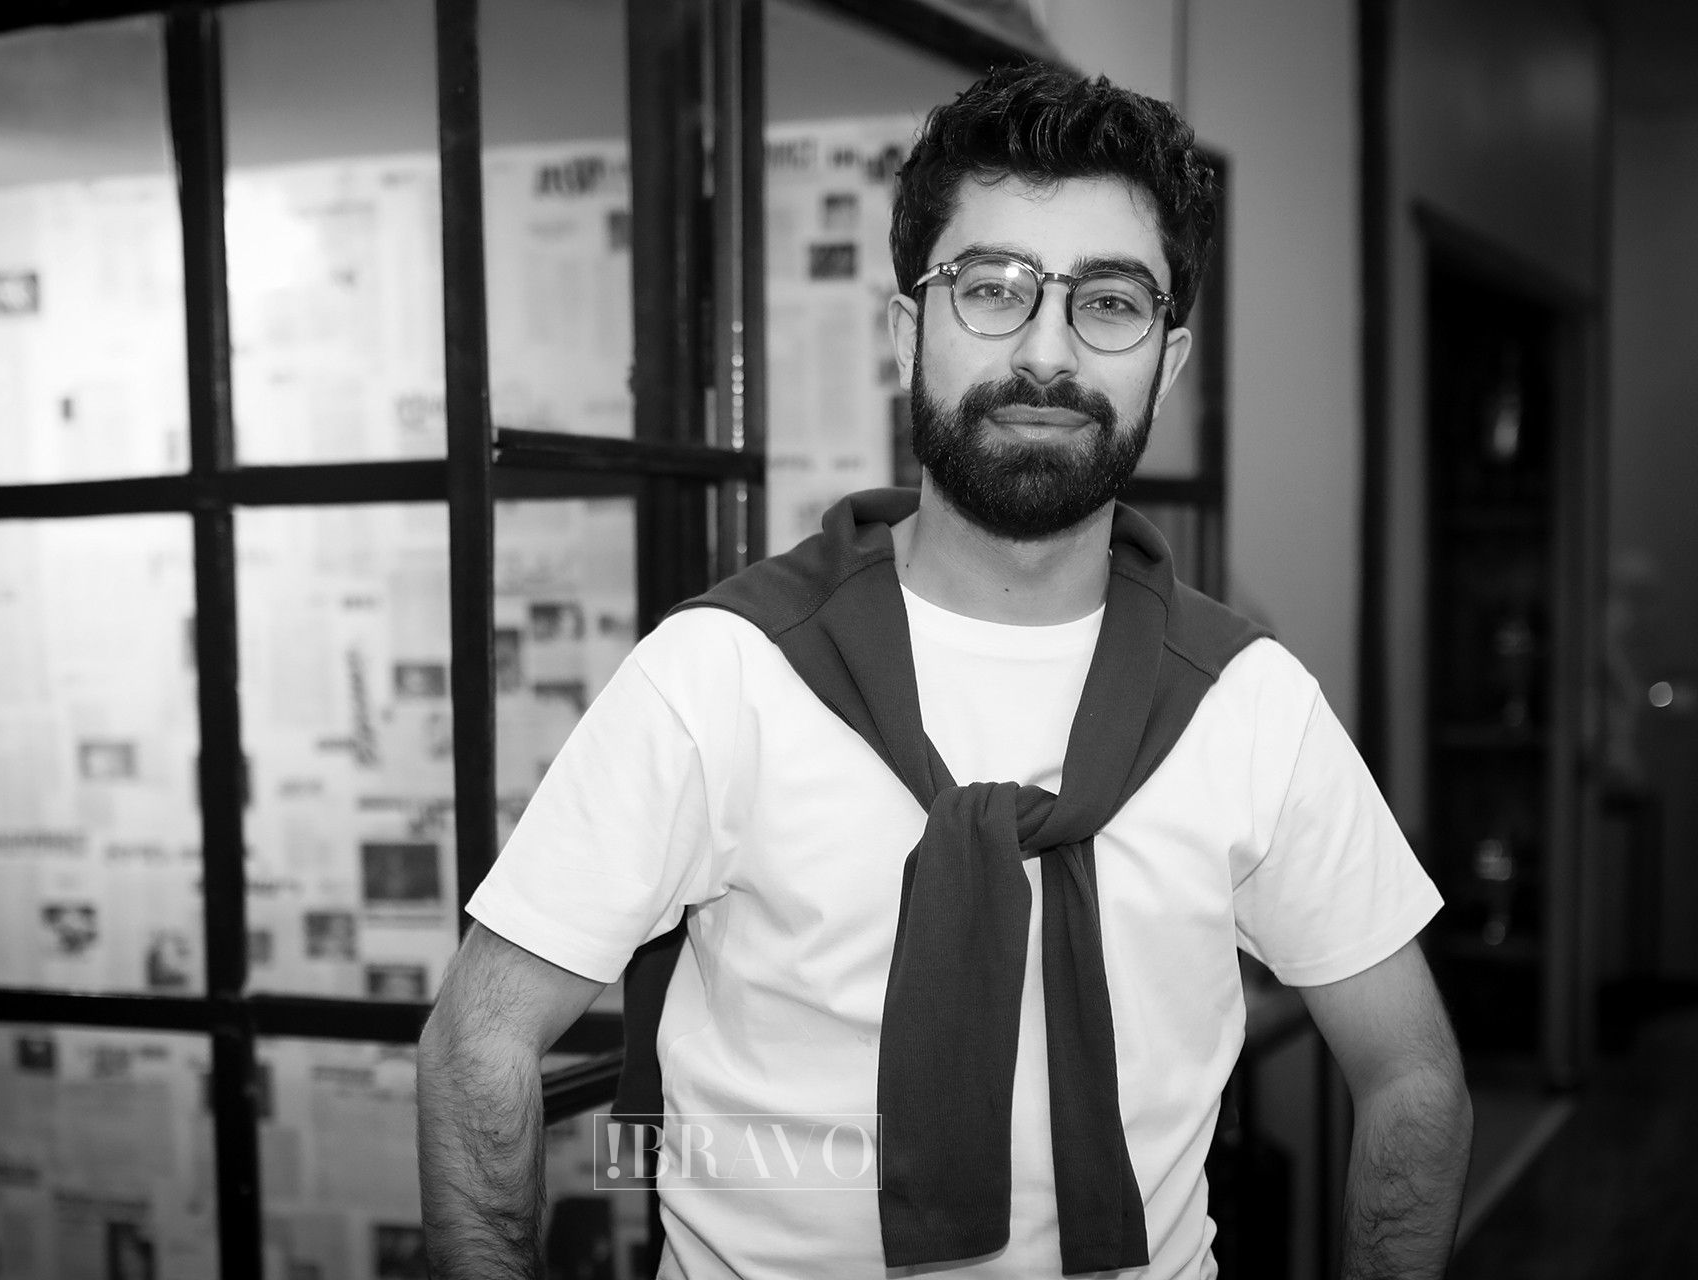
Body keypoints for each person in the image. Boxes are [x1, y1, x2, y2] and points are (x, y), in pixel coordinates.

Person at [418, 65, 1470, 1279]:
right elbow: (477, 1046)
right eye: (992, 288)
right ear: (910, 330)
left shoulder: (1250, 703)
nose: (1046, 352)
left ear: (1168, 363)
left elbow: (1415, 1080)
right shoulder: (723, 674)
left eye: (1110, 302)